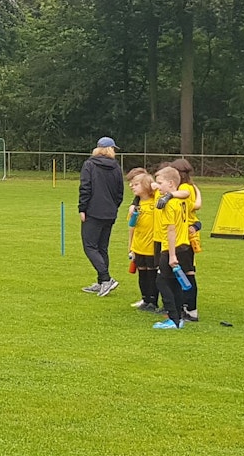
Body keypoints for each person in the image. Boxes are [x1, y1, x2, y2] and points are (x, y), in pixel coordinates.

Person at [77, 137, 124, 295]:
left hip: (93, 211)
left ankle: (105, 278)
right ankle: (101, 281)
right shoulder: (116, 167)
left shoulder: (89, 165)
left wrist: (82, 208)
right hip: (110, 213)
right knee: (102, 248)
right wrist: (113, 207)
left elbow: (85, 187)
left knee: (90, 246)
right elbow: (120, 192)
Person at [152, 166, 194, 329]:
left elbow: (171, 229)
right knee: (175, 283)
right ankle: (179, 317)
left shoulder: (169, 204)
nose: (158, 186)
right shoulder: (181, 199)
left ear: (170, 183)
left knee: (161, 281)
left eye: (160, 183)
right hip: (184, 246)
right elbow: (187, 193)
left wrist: (171, 255)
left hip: (172, 248)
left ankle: (173, 319)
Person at [122, 169, 161, 312]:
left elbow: (159, 193)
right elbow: (131, 226)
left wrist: (155, 186)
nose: (132, 186)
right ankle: (145, 299)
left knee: (152, 274)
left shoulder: (155, 202)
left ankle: (153, 301)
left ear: (146, 186)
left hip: (152, 246)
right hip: (139, 245)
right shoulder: (136, 206)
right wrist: (131, 246)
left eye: (136, 184)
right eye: (132, 184)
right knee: (142, 273)